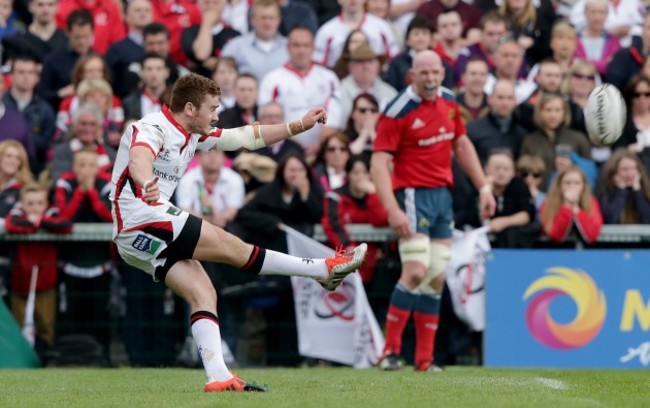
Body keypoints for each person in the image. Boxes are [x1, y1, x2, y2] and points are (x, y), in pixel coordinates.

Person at [109, 73, 368, 392]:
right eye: (213, 108)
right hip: (141, 216)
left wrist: (298, 125)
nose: (217, 115)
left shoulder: (194, 134)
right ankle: (321, 269)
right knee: (233, 247)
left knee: (204, 293)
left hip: (134, 237)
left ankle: (218, 376)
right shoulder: (152, 127)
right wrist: (146, 181)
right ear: (190, 109)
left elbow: (246, 137)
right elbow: (139, 157)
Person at [371, 50, 495, 372]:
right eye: (422, 73)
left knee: (436, 278)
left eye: (434, 73)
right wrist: (392, 209)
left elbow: (462, 144)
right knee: (414, 271)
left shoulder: (450, 101)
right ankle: (389, 352)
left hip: (443, 197)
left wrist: (483, 187)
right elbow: (379, 162)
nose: (429, 79)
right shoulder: (397, 110)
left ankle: (425, 359)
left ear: (443, 73)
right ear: (411, 75)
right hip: (412, 196)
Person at [5, 182, 72, 349]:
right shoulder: (16, 214)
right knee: (19, 325)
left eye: (39, 203)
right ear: (22, 203)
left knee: (45, 326)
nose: (35, 208)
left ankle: (45, 361)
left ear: (46, 203)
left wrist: (40, 221)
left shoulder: (52, 213)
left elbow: (65, 225)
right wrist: (34, 225)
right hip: (20, 282)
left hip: (46, 282)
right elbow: (11, 225)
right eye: (30, 204)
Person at [540, 166, 603, 244]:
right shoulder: (548, 203)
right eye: (567, 183)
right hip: (554, 251)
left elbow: (591, 236)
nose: (572, 187)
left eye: (577, 183)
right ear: (560, 185)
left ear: (583, 186)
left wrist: (576, 209)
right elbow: (556, 236)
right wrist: (567, 206)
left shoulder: (592, 203)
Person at [597, 148, 650, 223]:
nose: (630, 174)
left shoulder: (645, 190)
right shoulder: (605, 192)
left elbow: (647, 219)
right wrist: (621, 191)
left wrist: (638, 192)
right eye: (624, 169)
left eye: (633, 168)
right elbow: (611, 219)